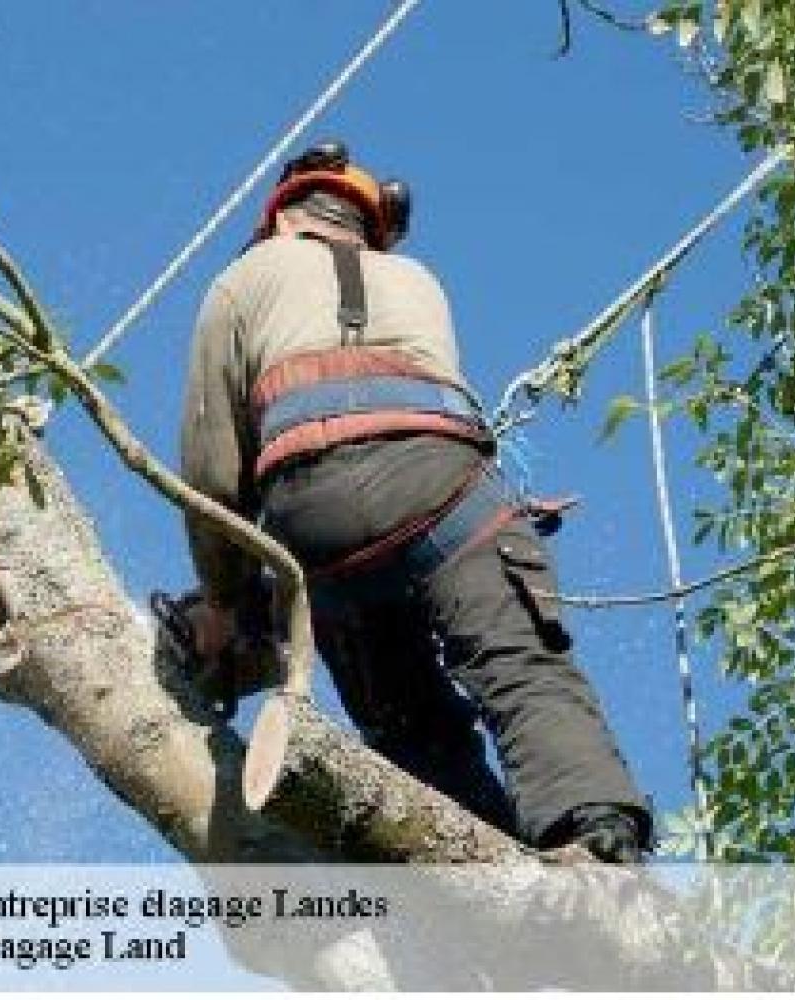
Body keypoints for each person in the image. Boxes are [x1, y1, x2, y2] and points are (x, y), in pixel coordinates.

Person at [181, 141, 652, 861]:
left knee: (407, 724)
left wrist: (220, 602)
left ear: (280, 218)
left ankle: (472, 865)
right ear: (370, 226)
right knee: (519, 664)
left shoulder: (242, 280)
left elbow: (214, 472)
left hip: (314, 523)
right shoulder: (415, 277)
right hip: (444, 490)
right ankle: (592, 839)